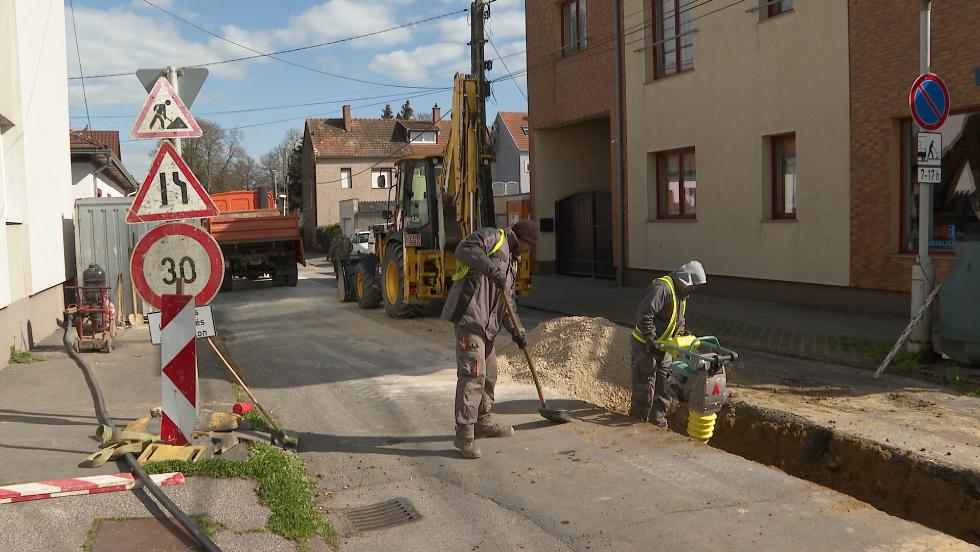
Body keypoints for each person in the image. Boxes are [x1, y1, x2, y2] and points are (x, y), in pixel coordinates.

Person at [441, 220, 539, 459]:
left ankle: (482, 421)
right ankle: (464, 435)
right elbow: (463, 249)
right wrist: (490, 267)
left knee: (490, 374)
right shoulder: (495, 238)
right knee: (473, 375)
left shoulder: (512, 264)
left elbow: (508, 302)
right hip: (470, 318)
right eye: (531, 245)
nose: (530, 250)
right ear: (523, 239)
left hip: (488, 327)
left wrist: (517, 330)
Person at [629, 261, 707, 428]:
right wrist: (651, 341)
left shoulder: (681, 294)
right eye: (694, 286)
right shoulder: (661, 288)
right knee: (645, 388)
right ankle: (636, 425)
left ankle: (658, 425)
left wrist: (682, 334)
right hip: (645, 345)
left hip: (664, 347)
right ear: (687, 280)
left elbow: (678, 320)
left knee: (664, 387)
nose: (694, 290)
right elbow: (644, 315)